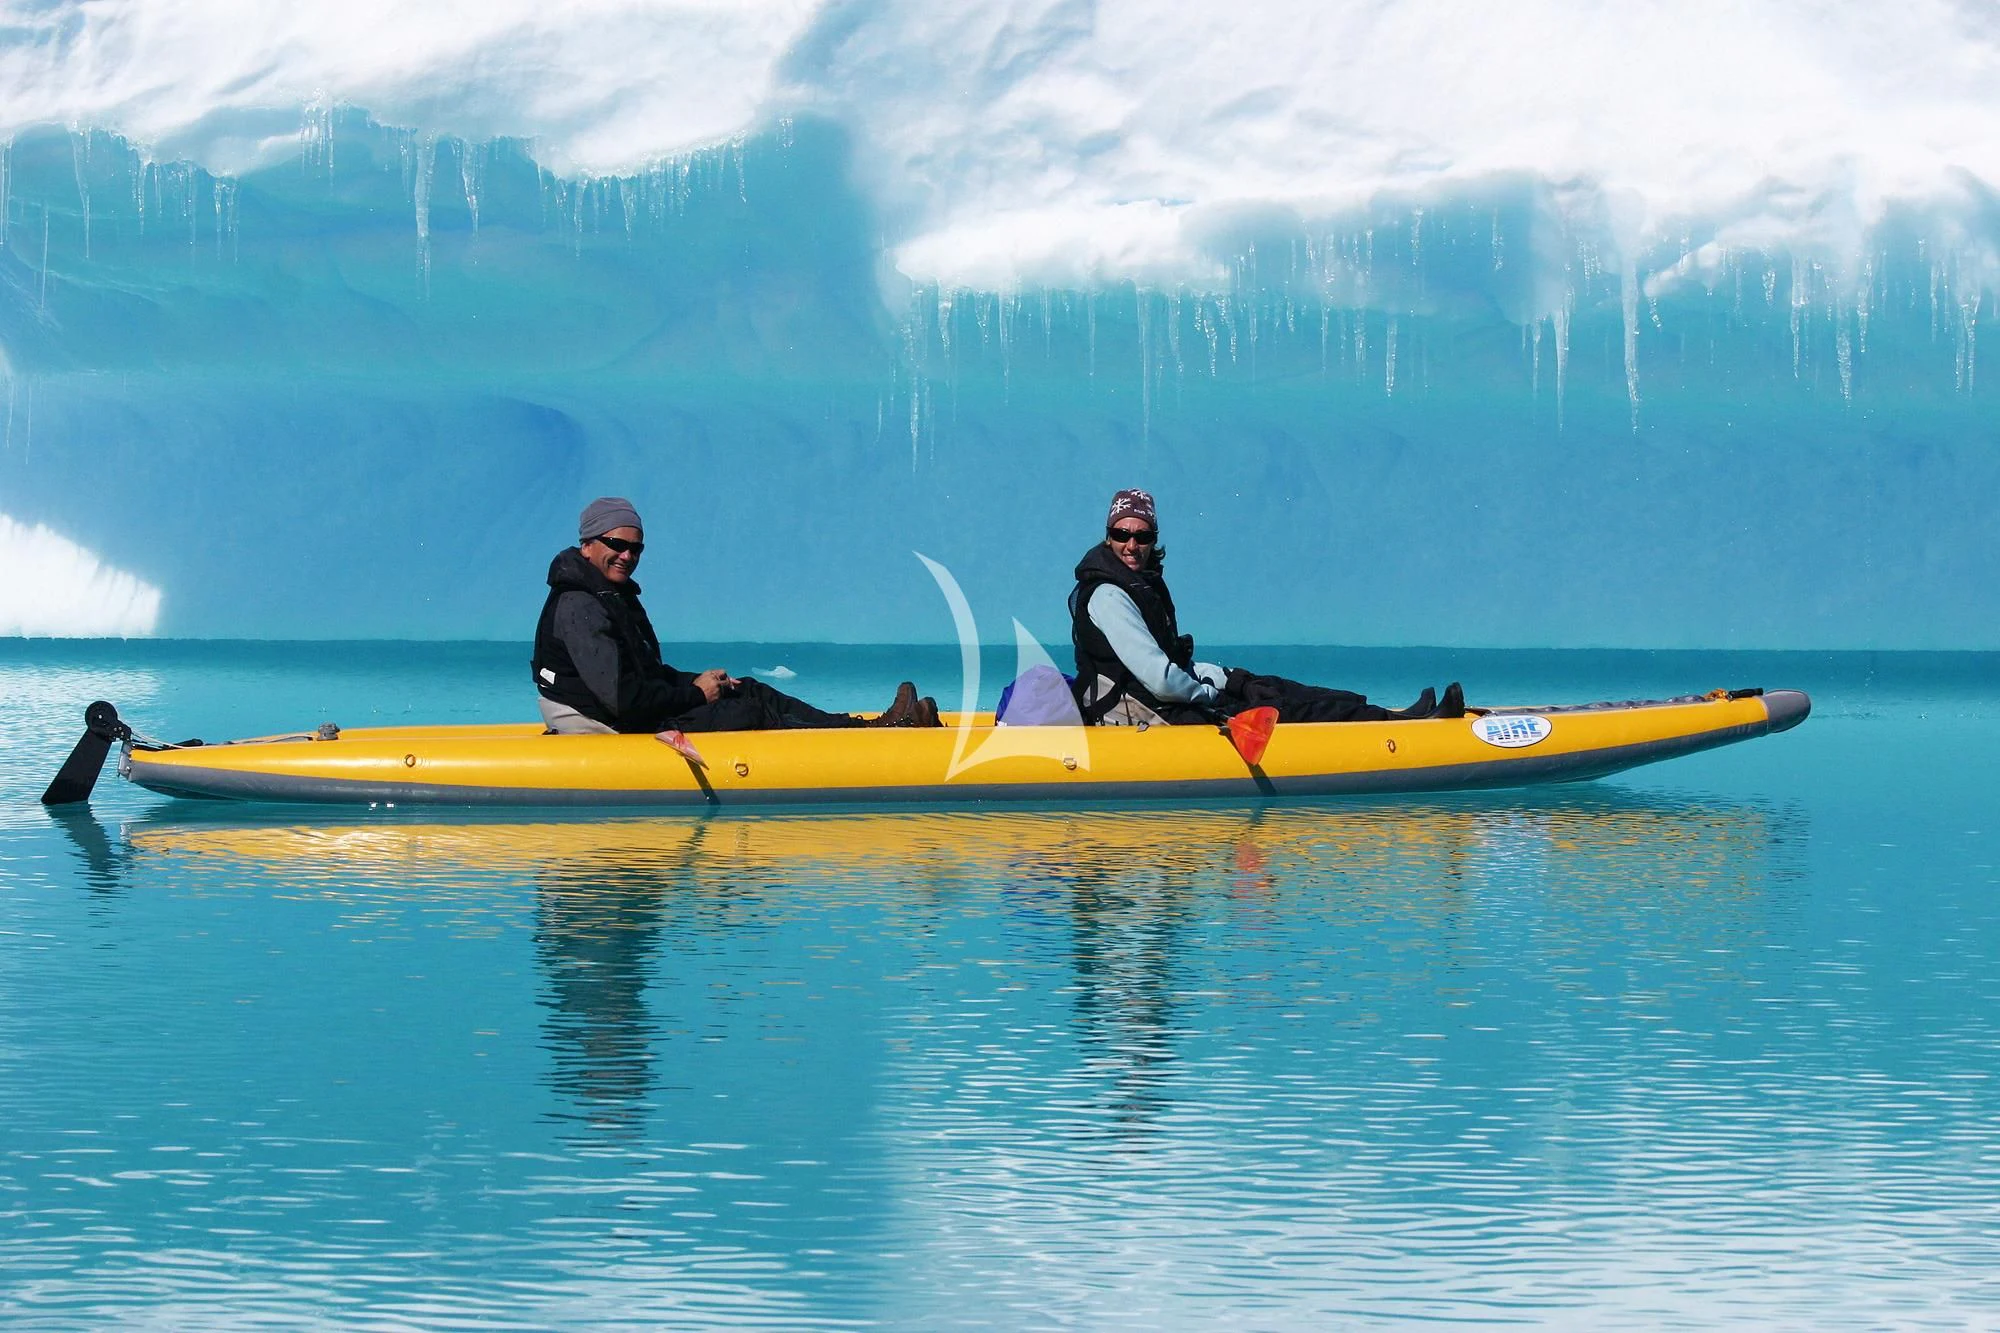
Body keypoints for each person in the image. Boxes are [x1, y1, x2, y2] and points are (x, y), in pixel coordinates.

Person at [533, 497, 940, 734]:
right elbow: (623, 699)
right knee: (747, 712)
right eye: (616, 544)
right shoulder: (581, 605)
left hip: (619, 708)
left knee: (748, 690)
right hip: (603, 720)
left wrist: (698, 682)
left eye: (636, 548)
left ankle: (864, 729)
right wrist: (694, 694)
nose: (628, 555)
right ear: (587, 544)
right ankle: (872, 738)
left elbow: (641, 674)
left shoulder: (610, 594)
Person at [1069, 488, 1465, 727]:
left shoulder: (1140, 585)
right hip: (1143, 714)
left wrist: (1226, 677)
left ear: (1154, 539)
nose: (1132, 545)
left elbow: (1170, 664)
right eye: (1122, 534)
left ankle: (1391, 717)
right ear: (1108, 537)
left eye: (1143, 535)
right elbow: (1160, 680)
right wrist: (1208, 695)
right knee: (1284, 709)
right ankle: (1400, 728)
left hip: (1162, 700)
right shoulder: (1109, 595)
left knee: (1276, 687)